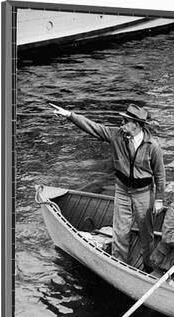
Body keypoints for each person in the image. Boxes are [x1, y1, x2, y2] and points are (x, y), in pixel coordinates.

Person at [50, 103, 165, 269]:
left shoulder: (153, 146)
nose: (122, 123)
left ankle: (149, 265)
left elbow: (160, 175)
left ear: (137, 125)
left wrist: (159, 199)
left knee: (146, 234)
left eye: (126, 121)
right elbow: (93, 128)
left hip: (144, 193)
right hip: (123, 191)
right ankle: (119, 265)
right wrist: (70, 115)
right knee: (120, 232)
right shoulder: (116, 136)